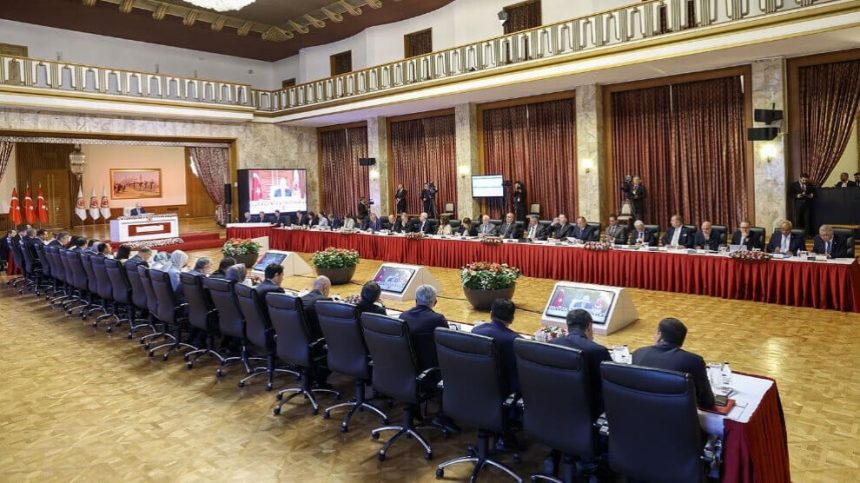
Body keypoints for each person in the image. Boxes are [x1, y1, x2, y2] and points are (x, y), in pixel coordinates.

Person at [632, 318, 715, 409]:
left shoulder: (638, 353)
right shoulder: (694, 361)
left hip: (639, 411)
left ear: (659, 335)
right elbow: (707, 402)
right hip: (675, 415)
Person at [550, 309, 612, 416]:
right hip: (590, 412)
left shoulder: (551, 344)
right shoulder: (598, 351)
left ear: (568, 326)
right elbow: (613, 381)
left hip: (555, 407)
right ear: (589, 326)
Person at [471, 298, 522, 394]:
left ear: (491, 314)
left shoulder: (475, 331)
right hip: (503, 391)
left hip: (475, 386)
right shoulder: (516, 341)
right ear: (512, 319)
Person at [398, 285, 449, 371]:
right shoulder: (438, 319)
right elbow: (447, 343)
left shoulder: (403, 316)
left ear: (416, 300)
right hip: (431, 368)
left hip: (407, 367)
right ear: (435, 302)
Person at [301, 276, 332, 340]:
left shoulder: (301, 299)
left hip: (300, 337)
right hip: (315, 339)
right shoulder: (324, 301)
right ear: (325, 288)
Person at [789, 173, 815, 237]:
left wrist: (812, 195)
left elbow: (814, 193)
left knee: (807, 220)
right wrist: (796, 196)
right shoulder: (794, 185)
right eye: (803, 180)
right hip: (798, 205)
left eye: (806, 180)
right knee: (797, 220)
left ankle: (807, 235)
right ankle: (798, 235)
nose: (805, 181)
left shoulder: (809, 185)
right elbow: (790, 194)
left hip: (807, 205)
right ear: (800, 178)